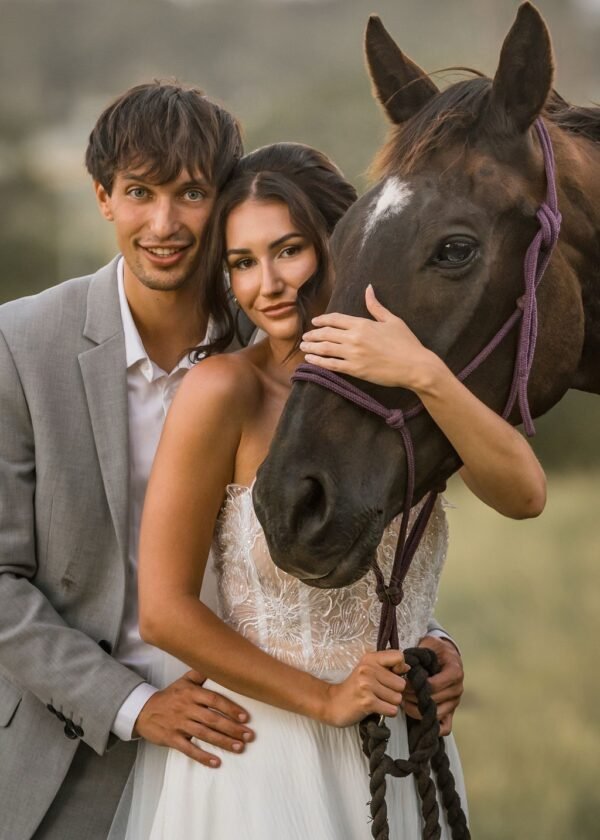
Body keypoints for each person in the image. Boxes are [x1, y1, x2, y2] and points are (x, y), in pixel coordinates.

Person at [133, 143, 547, 839]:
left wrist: (423, 373)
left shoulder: (407, 386)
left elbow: (523, 493)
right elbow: (165, 612)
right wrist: (325, 700)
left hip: (405, 747)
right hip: (268, 759)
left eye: (289, 250)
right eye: (242, 262)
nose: (268, 283)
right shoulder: (222, 392)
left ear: (342, 244)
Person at [0, 82, 260, 840]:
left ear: (225, 201)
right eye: (140, 192)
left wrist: (429, 636)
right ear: (103, 198)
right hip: (71, 752)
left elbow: (334, 533)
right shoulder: (20, 346)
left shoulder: (270, 343)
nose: (165, 223)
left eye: (191, 192)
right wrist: (134, 704)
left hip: (251, 741)